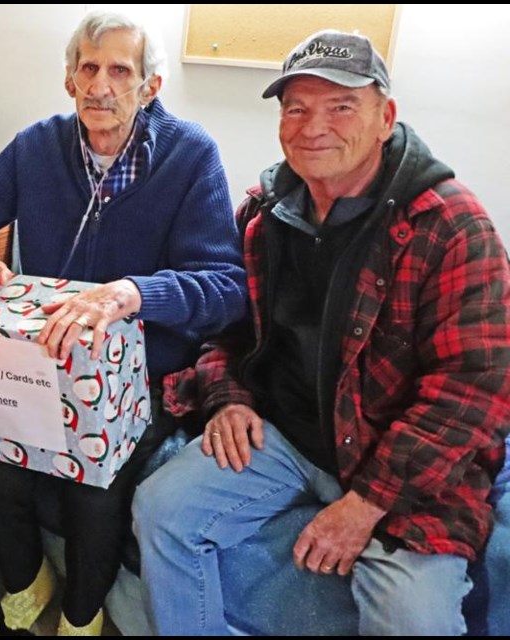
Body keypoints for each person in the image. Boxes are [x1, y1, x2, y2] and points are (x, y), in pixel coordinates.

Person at [133, 29, 510, 635]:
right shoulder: (263, 212)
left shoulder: (454, 227)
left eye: (341, 106)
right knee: (161, 509)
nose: (314, 127)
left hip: (400, 464)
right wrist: (228, 398)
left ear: (385, 117)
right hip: (287, 437)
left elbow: (476, 392)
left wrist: (365, 506)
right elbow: (226, 332)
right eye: (296, 108)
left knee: (413, 617)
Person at [0, 10, 247, 636]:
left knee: (96, 482)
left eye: (120, 70)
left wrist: (133, 294)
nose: (101, 85)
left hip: (141, 370)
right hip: (39, 359)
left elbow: (226, 288)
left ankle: (83, 614)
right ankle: (25, 579)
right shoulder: (37, 145)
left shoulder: (190, 155)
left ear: (150, 86)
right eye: (87, 68)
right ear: (68, 80)